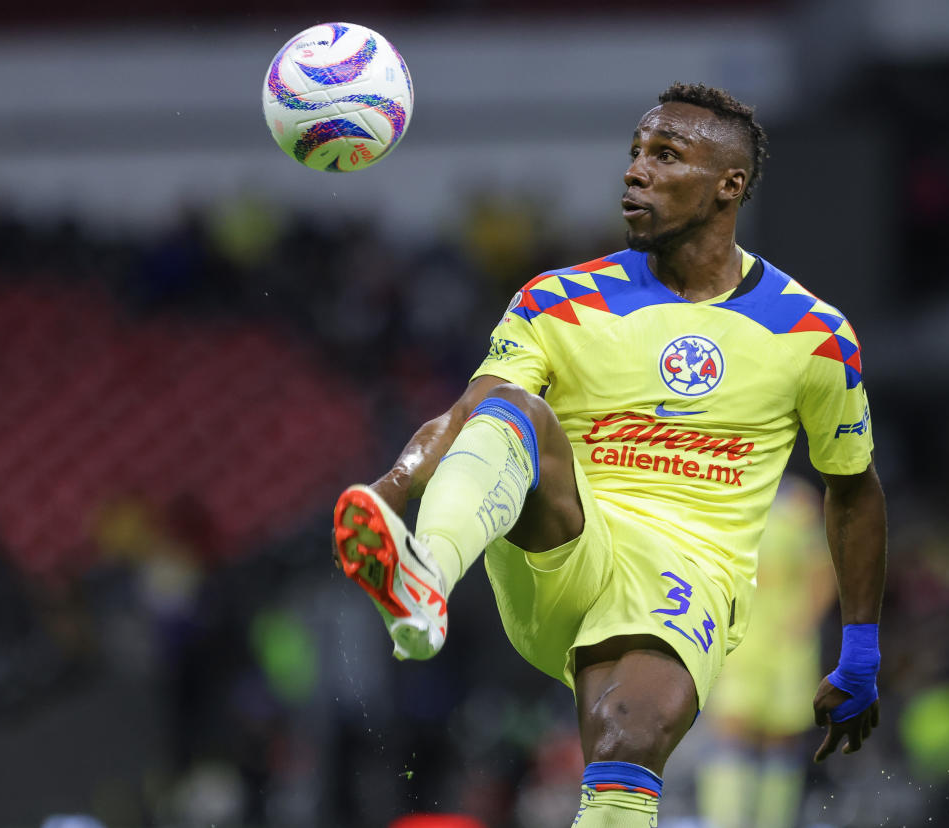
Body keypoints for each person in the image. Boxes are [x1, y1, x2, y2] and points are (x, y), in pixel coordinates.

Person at [332, 82, 886, 827]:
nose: (634, 171)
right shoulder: (556, 300)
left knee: (629, 738)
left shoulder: (812, 335)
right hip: (569, 543)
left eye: (664, 155)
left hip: (686, 575)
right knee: (511, 409)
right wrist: (396, 487)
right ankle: (424, 574)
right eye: (633, 154)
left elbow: (850, 487)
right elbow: (469, 414)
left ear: (730, 185)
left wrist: (859, 649)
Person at [696, 474, 837, 828]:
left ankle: (773, 821)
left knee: (781, 736)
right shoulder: (724, 488)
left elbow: (823, 568)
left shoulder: (798, 501)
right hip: (738, 636)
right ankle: (723, 822)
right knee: (731, 728)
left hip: (786, 640)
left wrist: (803, 620)